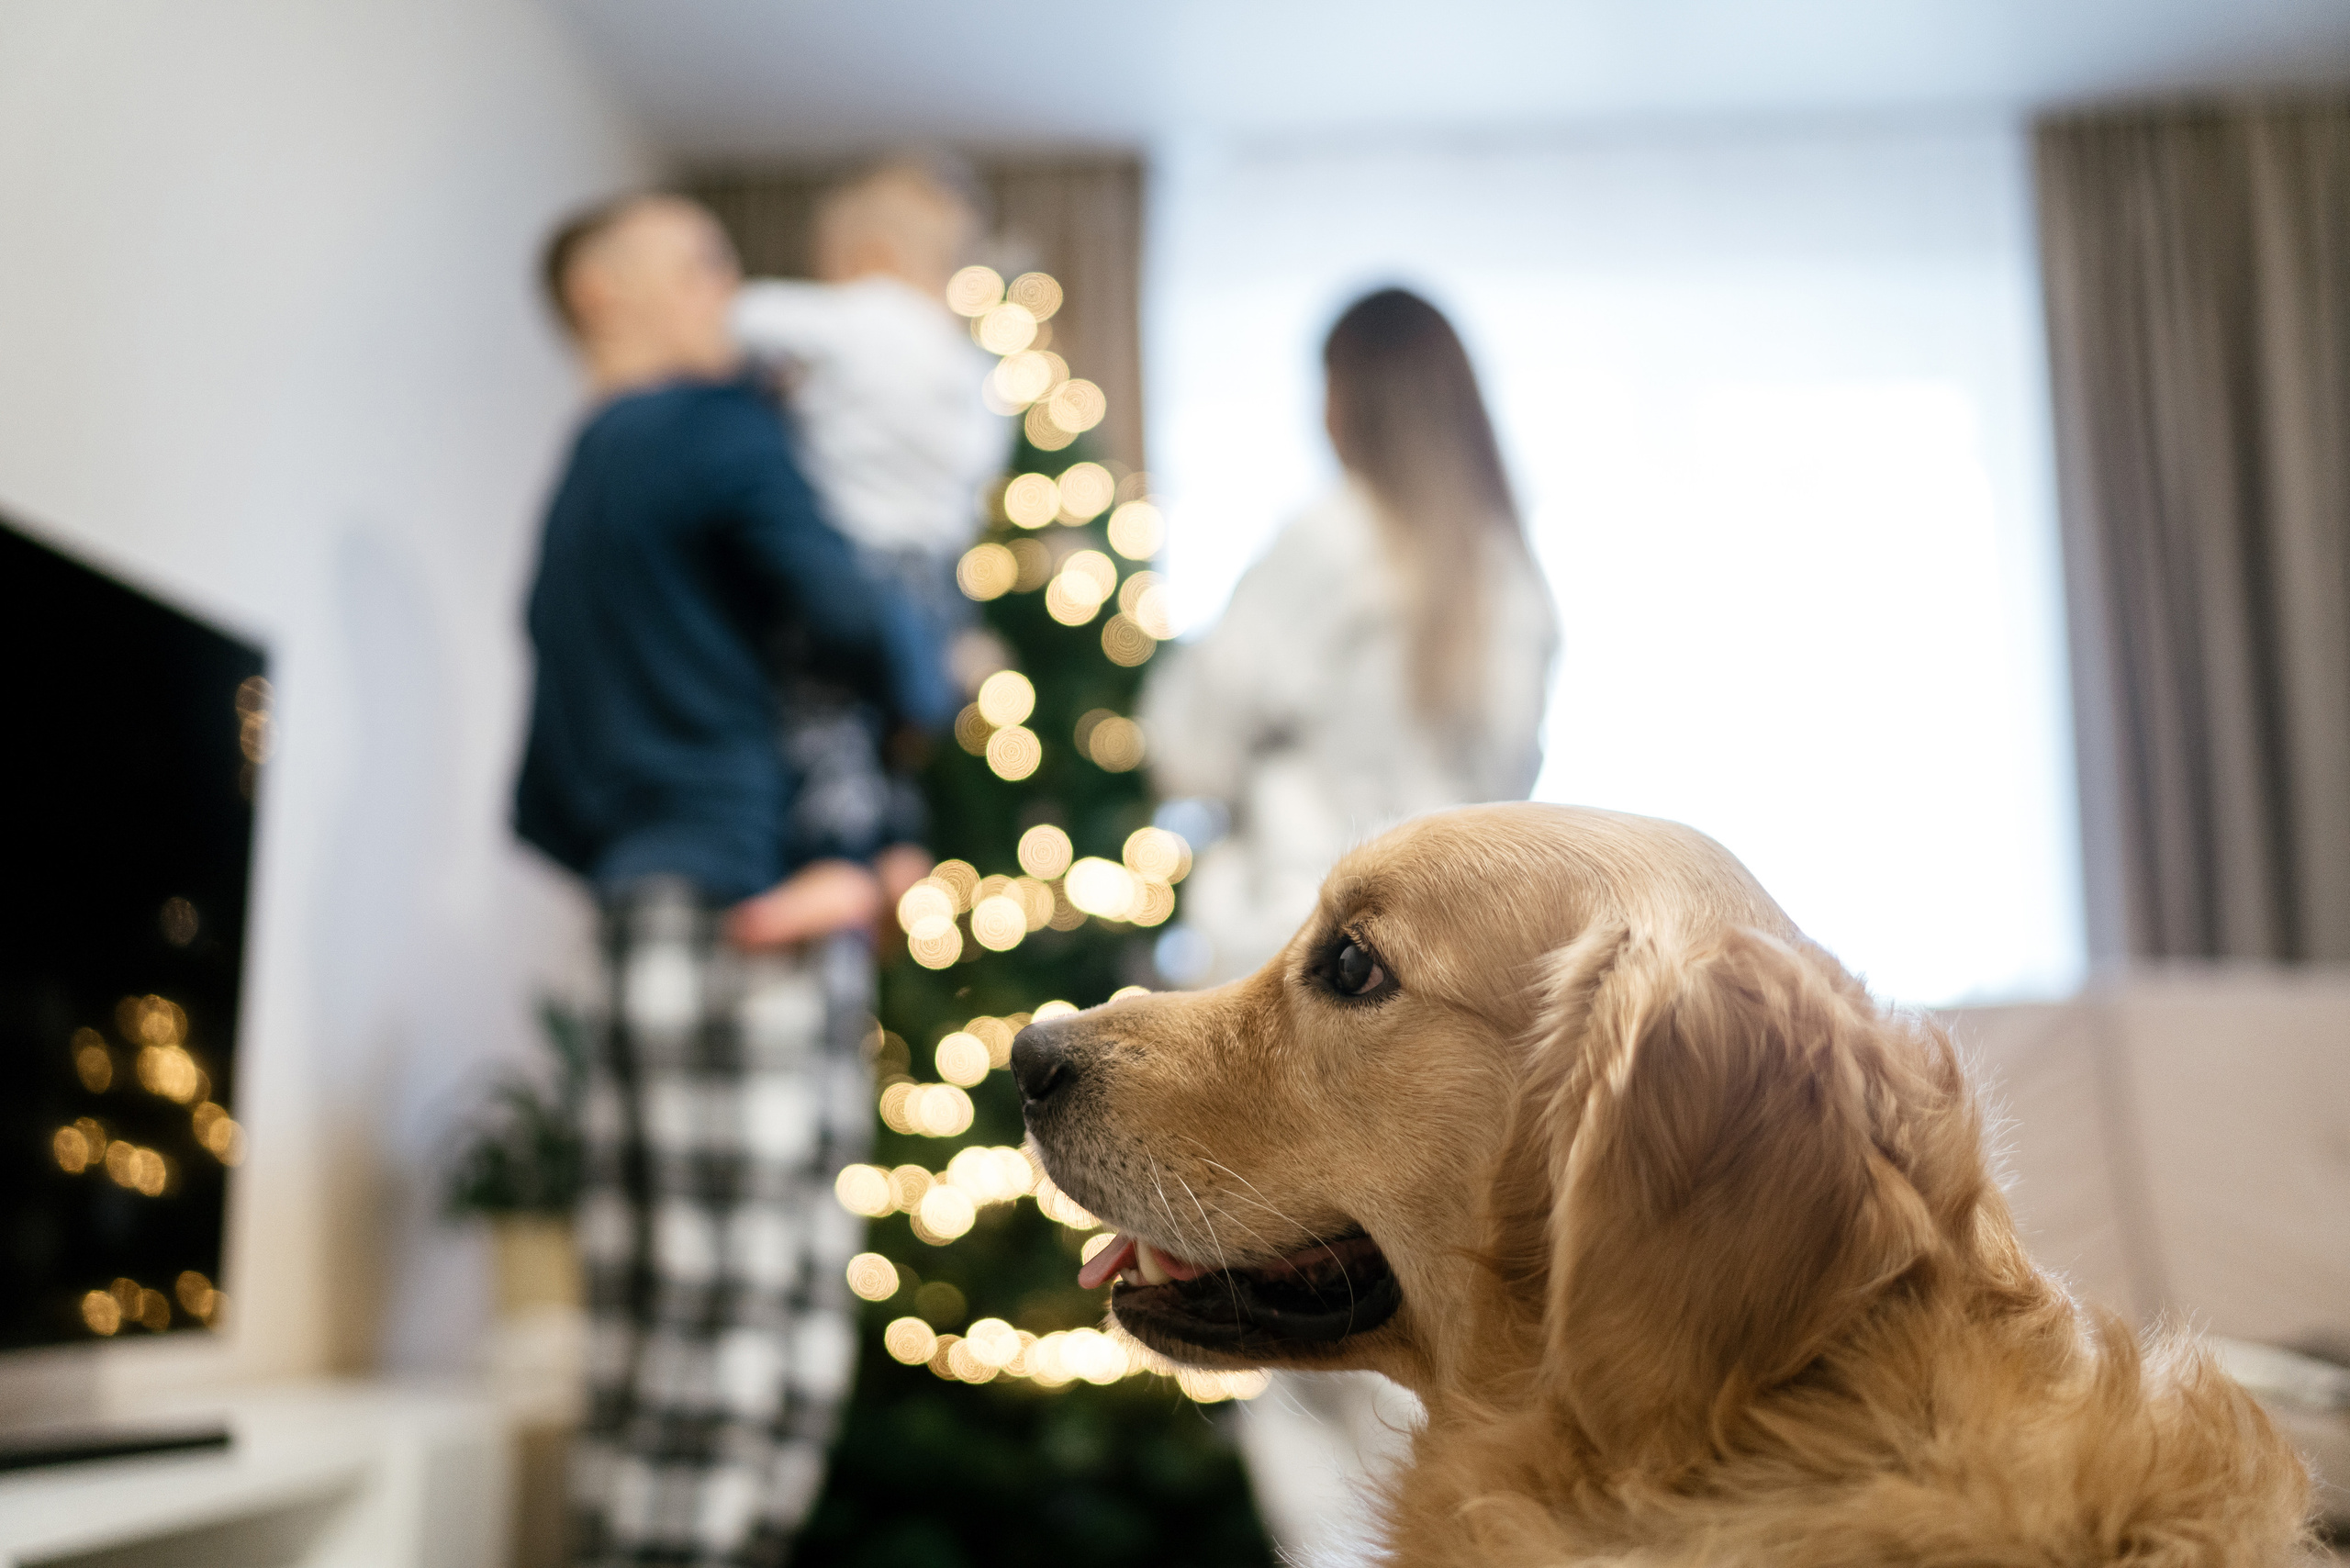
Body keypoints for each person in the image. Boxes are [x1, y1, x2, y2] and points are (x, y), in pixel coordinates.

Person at [513, 191, 947, 1567]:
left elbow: (539, 791)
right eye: (699, 262)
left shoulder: (576, 481)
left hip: (641, 914)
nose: (734, 287)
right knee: (749, 1321)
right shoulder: (721, 433)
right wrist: (934, 670)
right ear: (603, 294)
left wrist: (641, 858)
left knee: (647, 1326)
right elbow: (855, 624)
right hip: (753, 911)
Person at [1140, 286, 1559, 1564]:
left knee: (1295, 1334)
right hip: (1439, 1006)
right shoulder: (1511, 578)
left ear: (1348, 394)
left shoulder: (1326, 541)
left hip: (1286, 971)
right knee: (1421, 1322)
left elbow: (1183, 746)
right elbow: (1513, 806)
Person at [729, 159, 1009, 882]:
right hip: (937, 574)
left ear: (870, 256)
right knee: (900, 727)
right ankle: (897, 839)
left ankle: (835, 854)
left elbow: (736, 317)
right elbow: (978, 466)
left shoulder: (858, 318)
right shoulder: (968, 366)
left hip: (854, 553)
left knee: (823, 710)